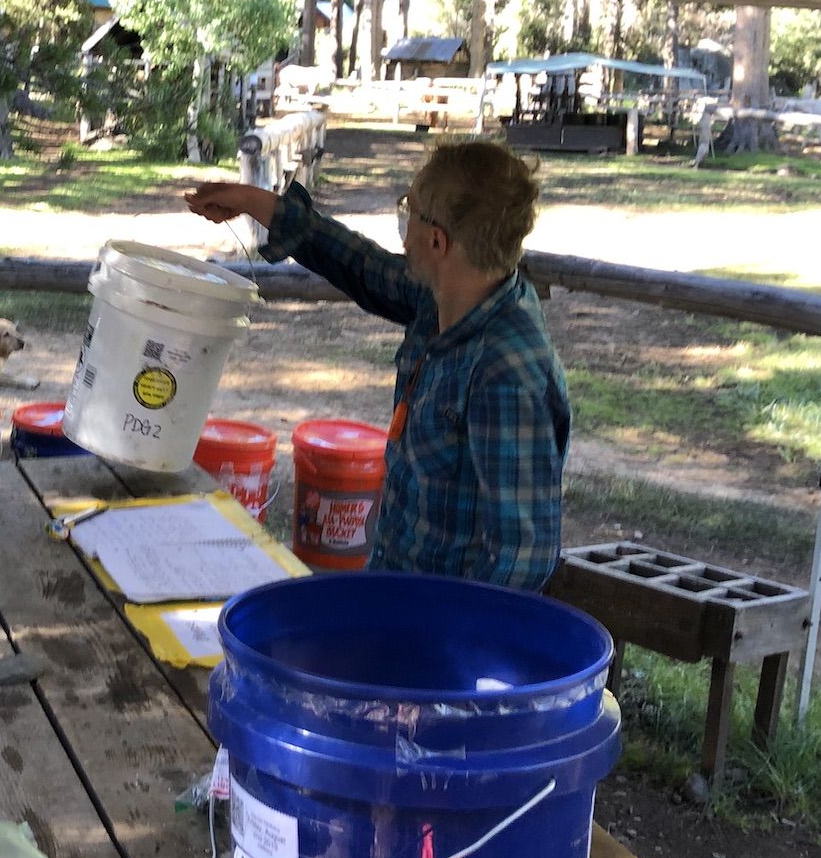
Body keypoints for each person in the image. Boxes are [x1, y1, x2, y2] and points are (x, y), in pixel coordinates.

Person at [184, 140, 569, 589]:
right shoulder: (452, 297)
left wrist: (447, 645)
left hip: (442, 630)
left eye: (410, 214)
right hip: (396, 593)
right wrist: (256, 202)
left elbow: (522, 556)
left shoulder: (506, 370)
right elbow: (362, 265)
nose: (403, 233)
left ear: (436, 240)